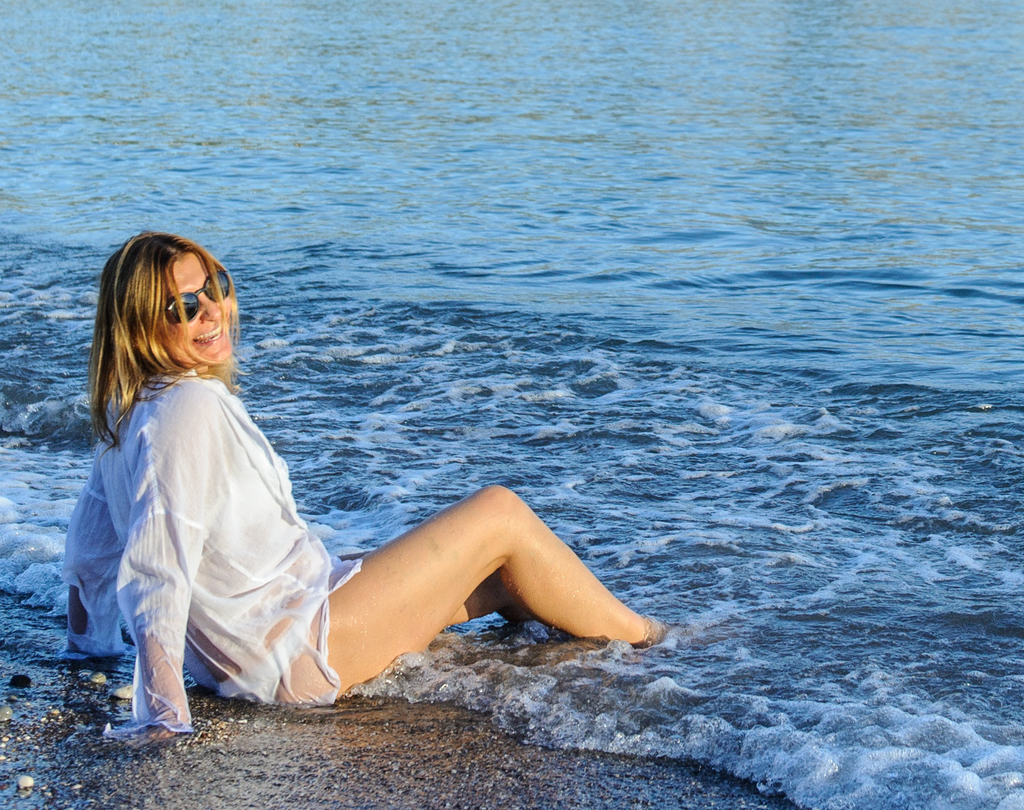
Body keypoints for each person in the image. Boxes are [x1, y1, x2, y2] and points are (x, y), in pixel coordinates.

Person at [61, 231, 664, 740]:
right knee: (500, 513)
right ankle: (655, 641)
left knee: (501, 578)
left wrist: (85, 654)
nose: (210, 311)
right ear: (138, 324)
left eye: (213, 286)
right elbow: (157, 568)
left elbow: (89, 554)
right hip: (291, 655)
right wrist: (164, 716)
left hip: (265, 641)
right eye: (180, 307)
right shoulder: (188, 408)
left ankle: (573, 655)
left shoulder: (128, 413)